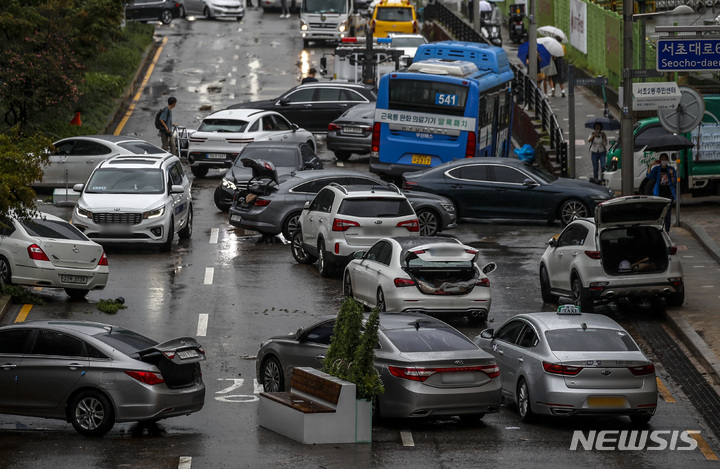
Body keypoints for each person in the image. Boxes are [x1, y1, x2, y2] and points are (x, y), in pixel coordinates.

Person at [648, 153, 677, 232]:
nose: (663, 161)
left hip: (669, 194)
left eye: (665, 159)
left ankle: (667, 231)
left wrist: (671, 175)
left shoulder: (671, 169)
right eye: (662, 159)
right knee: (659, 213)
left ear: (667, 160)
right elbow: (649, 176)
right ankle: (660, 230)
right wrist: (650, 165)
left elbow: (674, 182)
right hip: (659, 194)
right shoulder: (657, 169)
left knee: (668, 214)